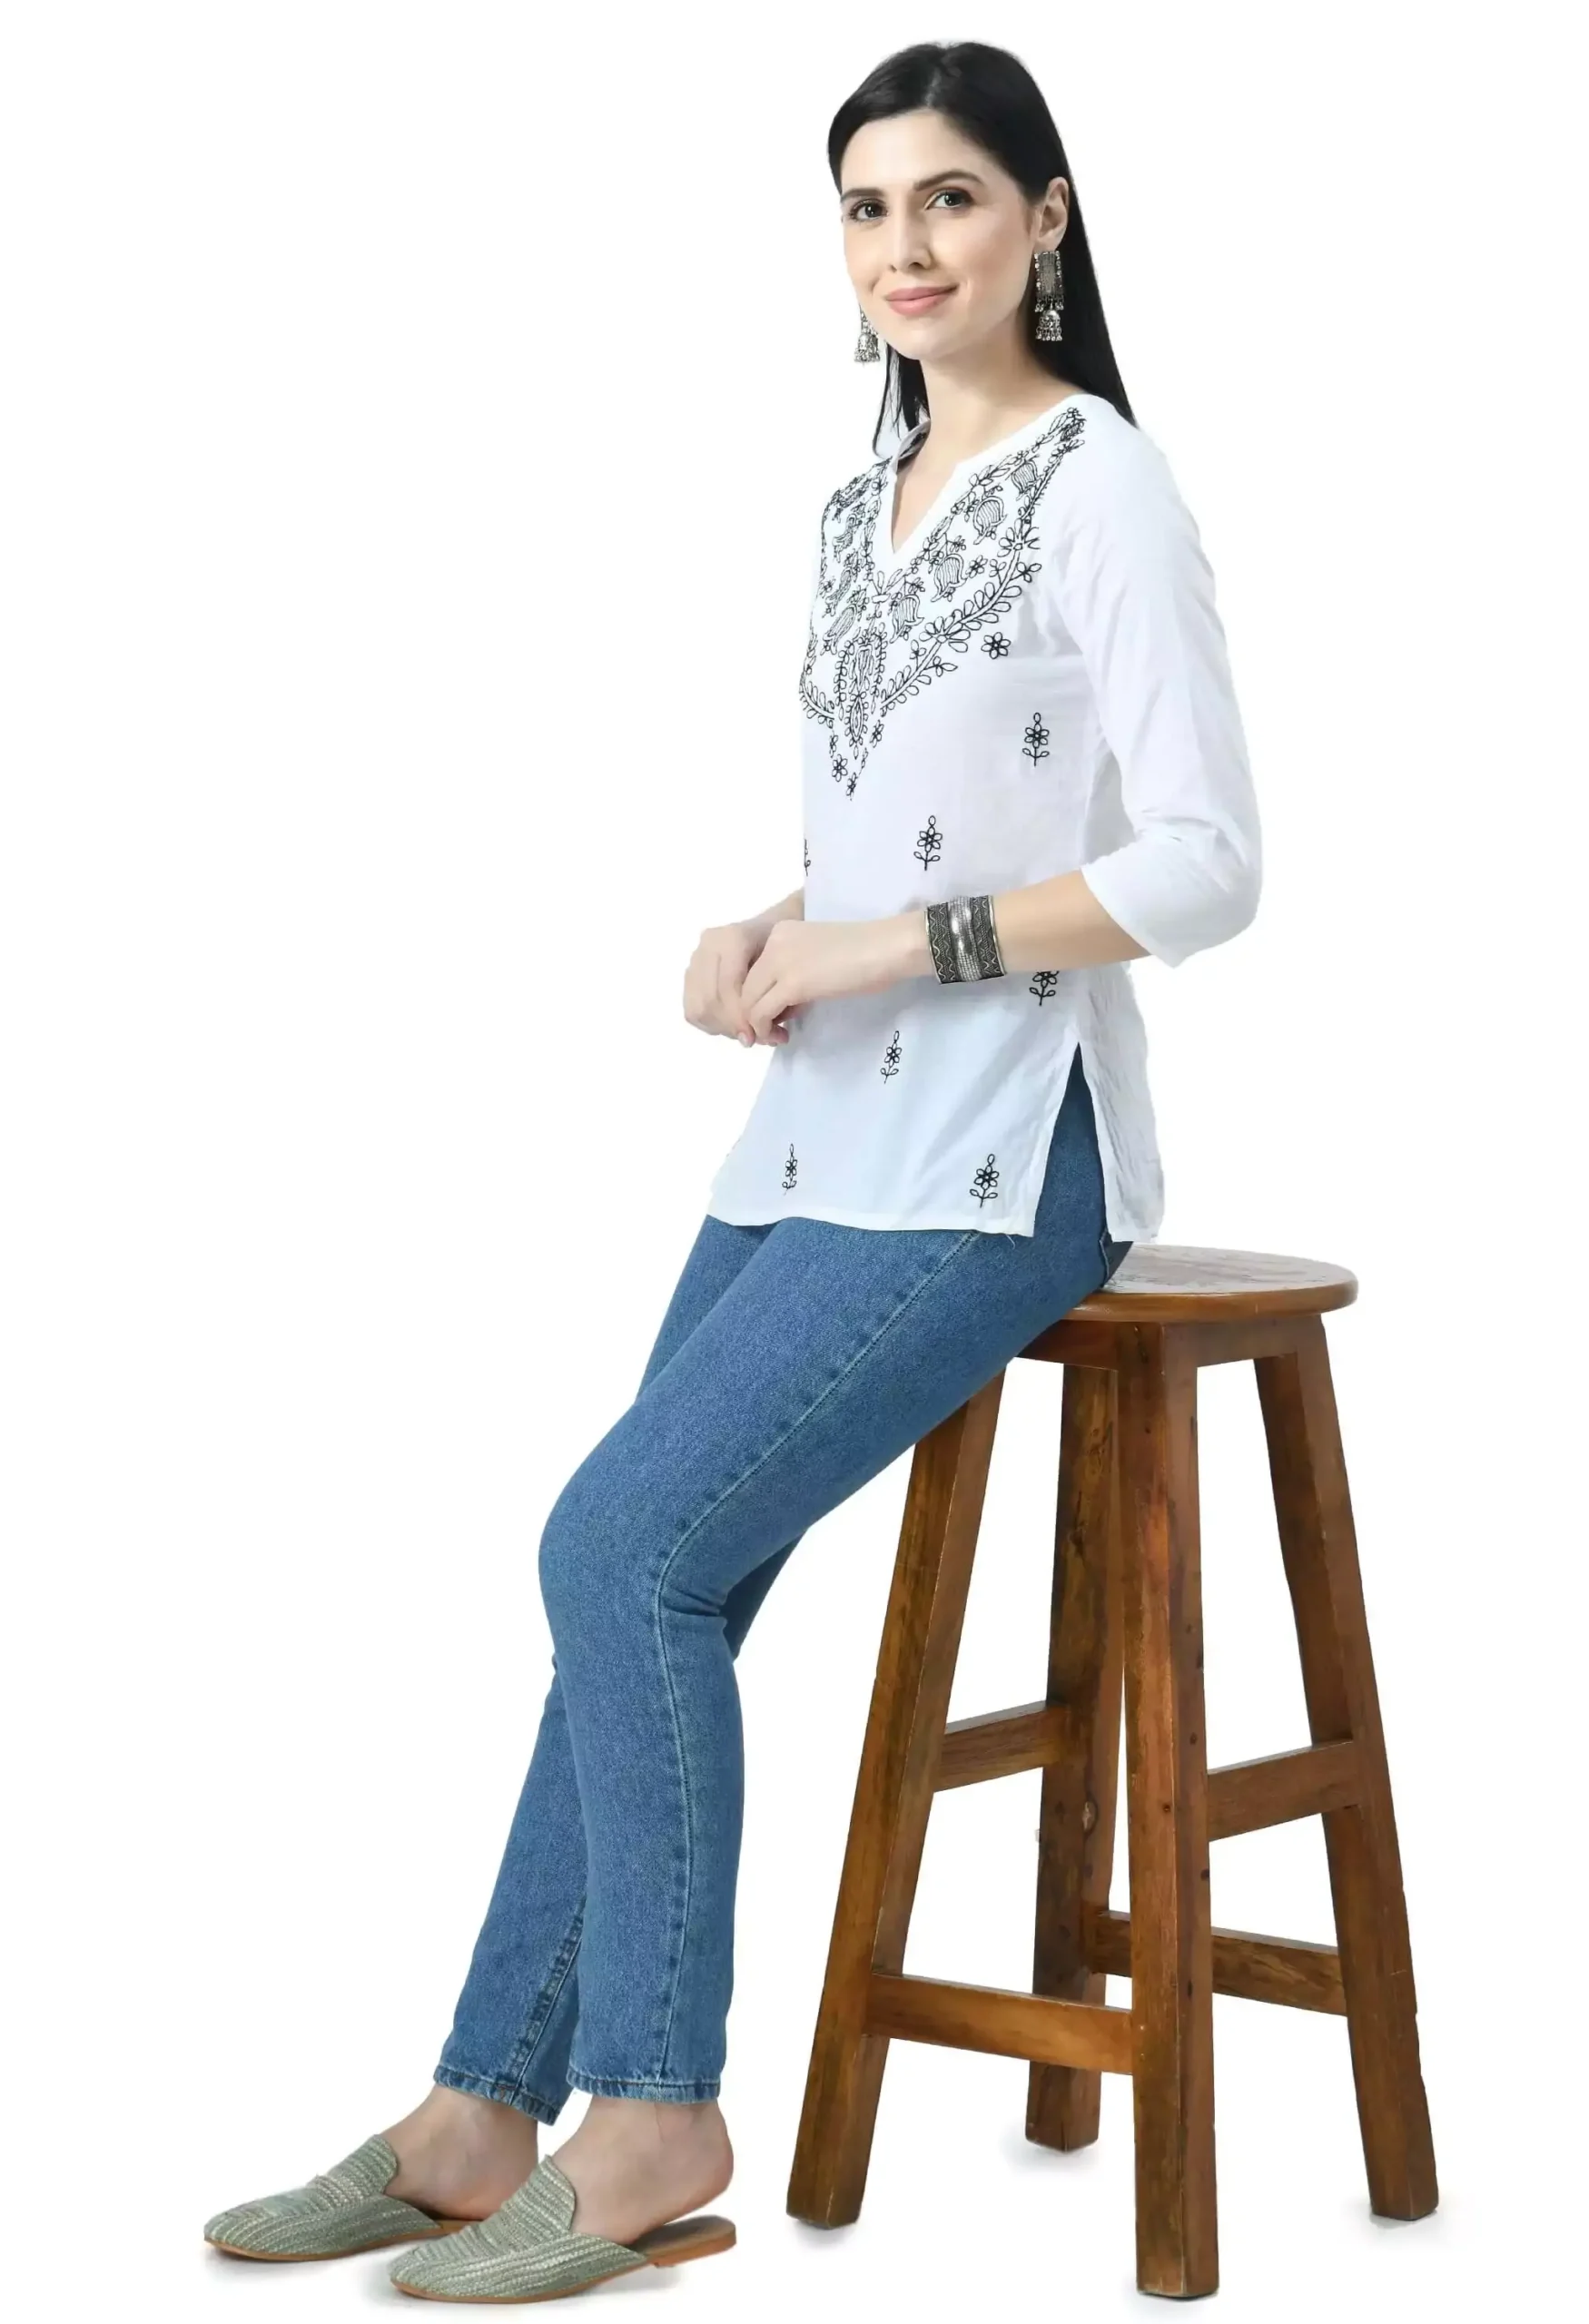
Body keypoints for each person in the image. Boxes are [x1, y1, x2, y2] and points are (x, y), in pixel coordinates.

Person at [202, 35, 1261, 2305]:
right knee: (638, 1577)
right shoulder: (858, 494)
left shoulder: (1102, 486)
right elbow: (903, 833)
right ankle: (478, 2110)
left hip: (1006, 1150)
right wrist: (783, 925)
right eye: (866, 206)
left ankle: (654, 2110)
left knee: (613, 1546)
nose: (904, 245)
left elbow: (1203, 863)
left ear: (1044, 219)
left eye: (950, 197)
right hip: (818, 1126)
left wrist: (890, 941)